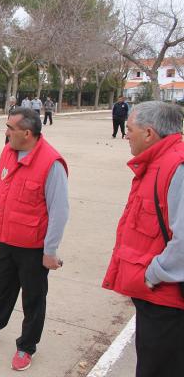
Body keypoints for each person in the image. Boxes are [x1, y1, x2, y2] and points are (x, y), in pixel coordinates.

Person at [0, 107, 69, 372]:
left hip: (33, 246)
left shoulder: (51, 163)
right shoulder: (9, 151)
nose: (5, 132)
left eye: (10, 128)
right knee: (0, 289)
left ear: (27, 133)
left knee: (33, 298)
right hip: (7, 238)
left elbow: (59, 211)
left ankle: (26, 346)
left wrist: (49, 250)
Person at [102, 102, 184, 377]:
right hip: (156, 297)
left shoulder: (177, 166)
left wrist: (154, 274)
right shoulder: (158, 162)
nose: (126, 136)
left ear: (149, 133)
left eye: (130, 129)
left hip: (168, 301)